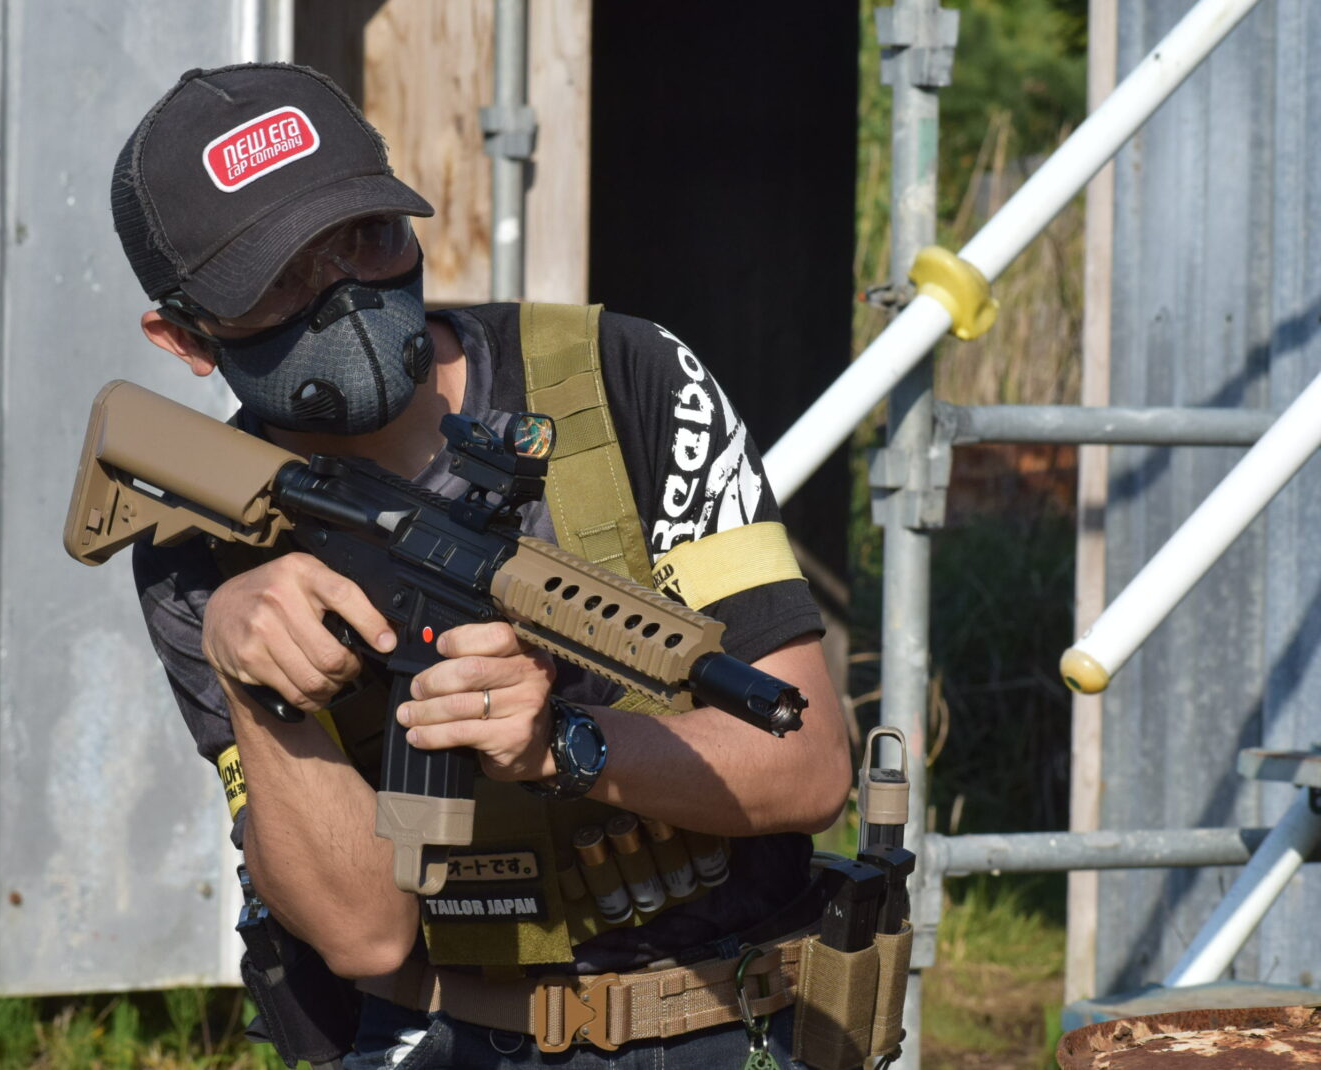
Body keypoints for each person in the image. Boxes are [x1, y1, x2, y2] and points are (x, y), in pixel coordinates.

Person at [110, 62, 851, 1070]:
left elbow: (808, 765)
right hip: (443, 1032)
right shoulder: (198, 531)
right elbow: (364, 936)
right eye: (281, 279)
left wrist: (570, 746)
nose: (345, 295)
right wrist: (254, 687)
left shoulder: (626, 379)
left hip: (730, 1018)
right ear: (185, 337)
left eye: (369, 237)